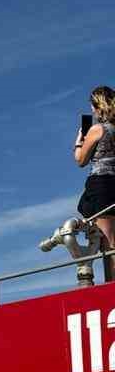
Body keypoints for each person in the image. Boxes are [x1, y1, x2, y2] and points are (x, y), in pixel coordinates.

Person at [74, 85, 115, 281]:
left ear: (98, 105)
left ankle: (110, 288)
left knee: (109, 241)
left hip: (101, 185)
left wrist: (79, 140)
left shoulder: (97, 129)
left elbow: (80, 159)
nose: (91, 110)